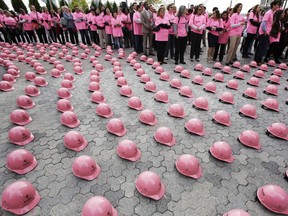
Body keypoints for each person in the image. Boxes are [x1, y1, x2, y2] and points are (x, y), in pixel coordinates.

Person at [254, 0, 281, 65]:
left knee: (262, 46)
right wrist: (265, 31)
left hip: (267, 32)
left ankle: (258, 59)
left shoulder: (272, 13)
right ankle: (258, 60)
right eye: (277, 5)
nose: (278, 6)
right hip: (264, 32)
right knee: (261, 46)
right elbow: (264, 22)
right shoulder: (268, 13)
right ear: (273, 5)